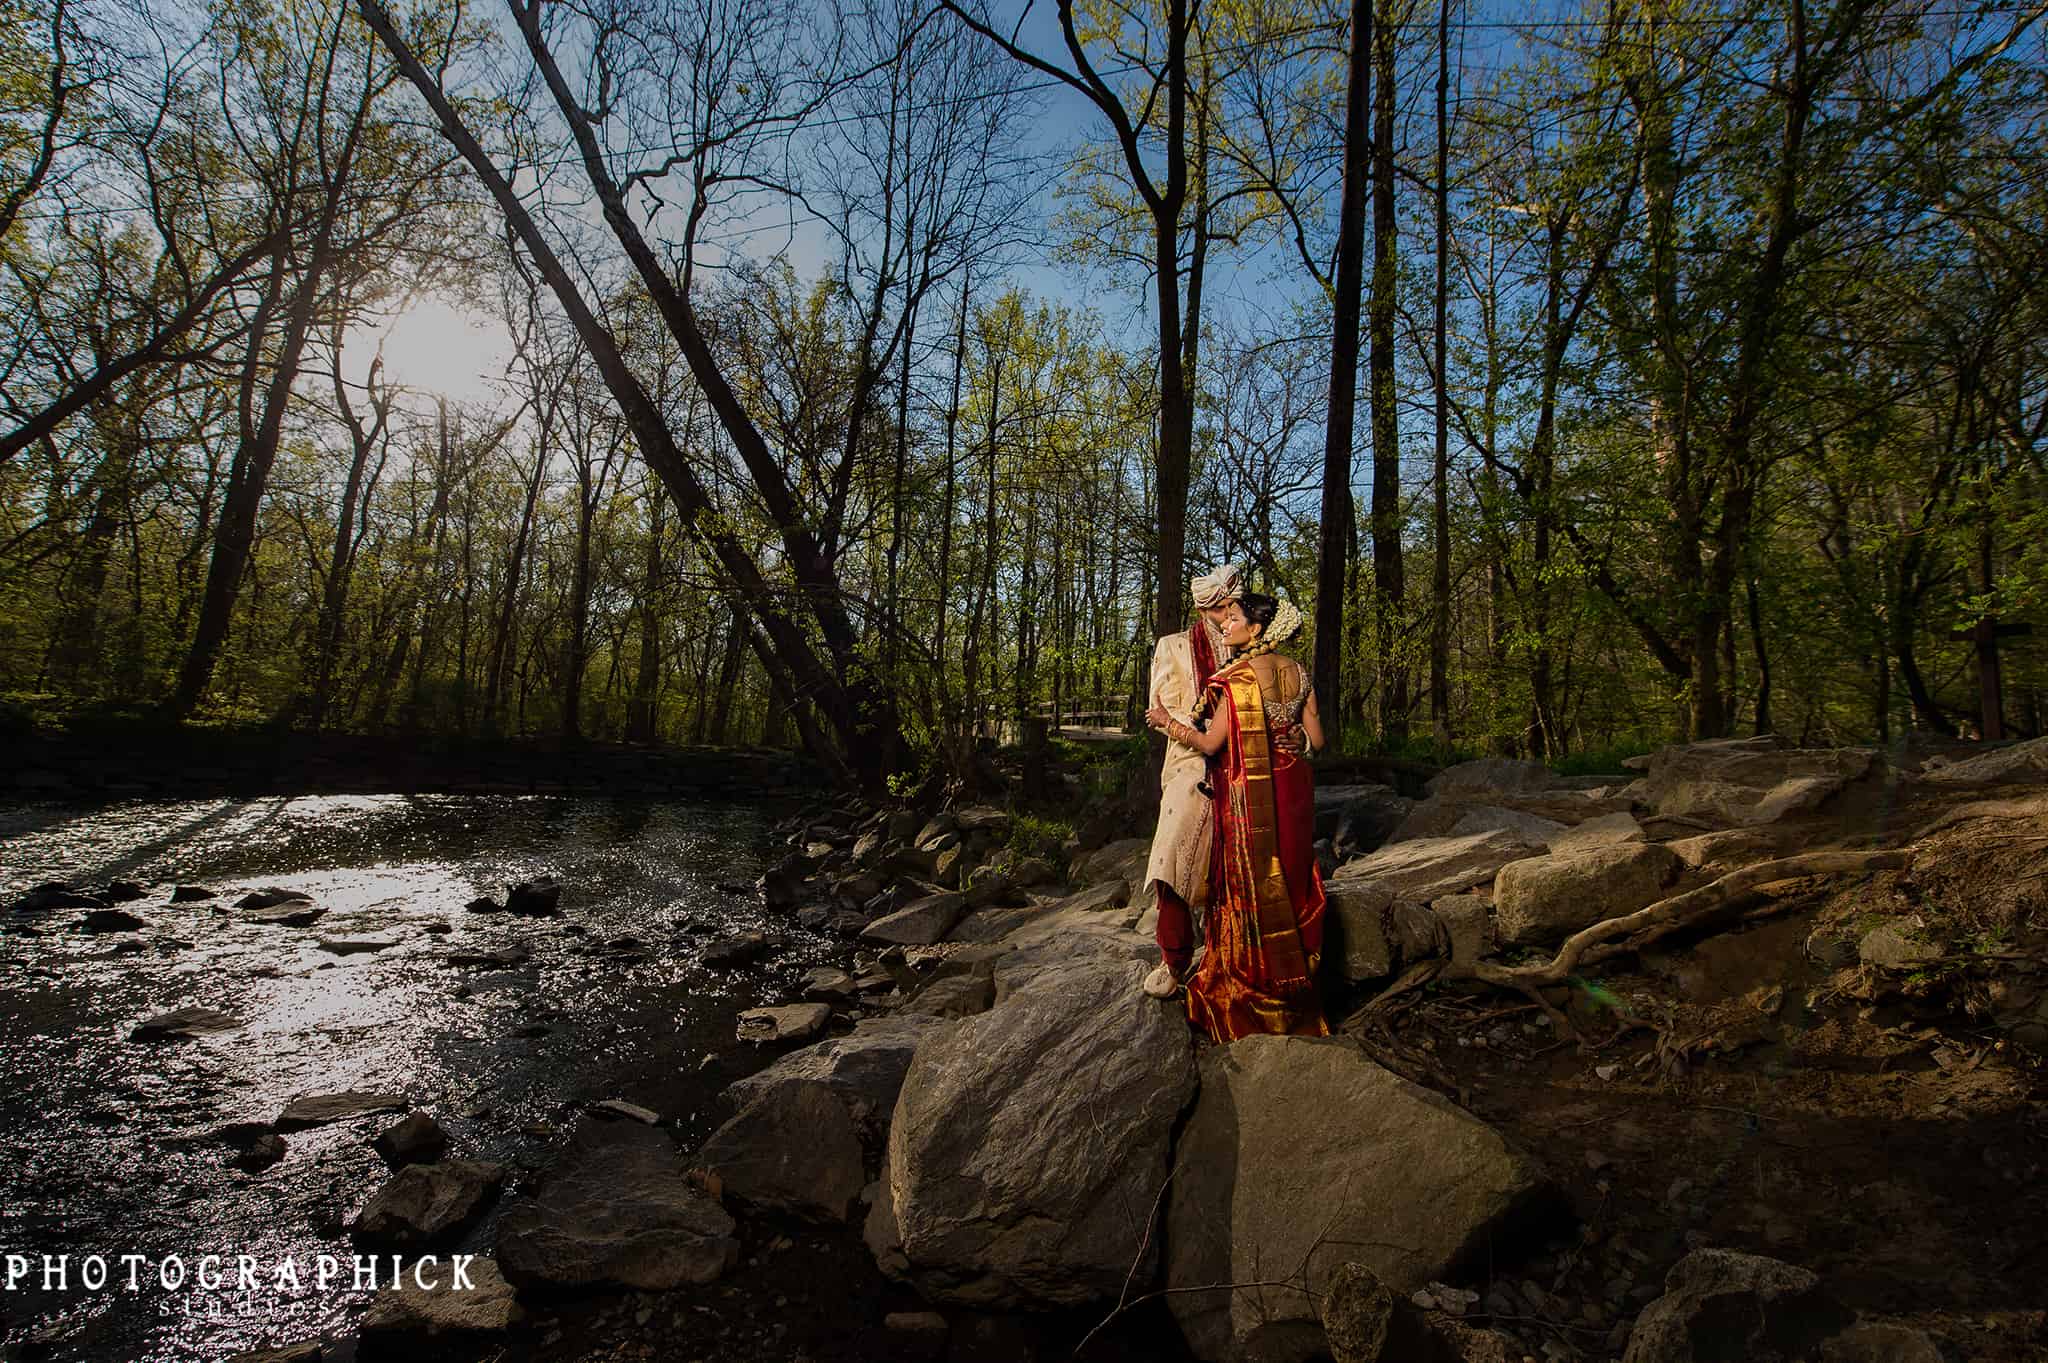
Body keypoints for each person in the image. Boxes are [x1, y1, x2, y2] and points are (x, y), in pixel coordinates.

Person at [1145, 593, 1328, 1042]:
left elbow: (1210, 745)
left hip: (1253, 793)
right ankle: (1293, 992)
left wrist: (1166, 721)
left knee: (1252, 884)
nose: (1227, 625)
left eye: (1236, 619)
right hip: (1294, 787)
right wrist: (1293, 745)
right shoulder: (1300, 672)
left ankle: (1250, 994)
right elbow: (1316, 742)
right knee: (1291, 879)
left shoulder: (1237, 678)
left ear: (1257, 629)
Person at [1137, 564, 1240, 999]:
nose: (1227, 616)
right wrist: (1204, 733)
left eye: (1232, 606)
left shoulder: (1250, 643)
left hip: (1243, 762)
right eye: (1219, 609)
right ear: (1203, 609)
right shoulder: (1173, 647)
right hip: (1189, 764)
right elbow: (1156, 711)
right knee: (1170, 859)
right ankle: (1174, 959)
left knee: (1241, 862)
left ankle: (1232, 955)